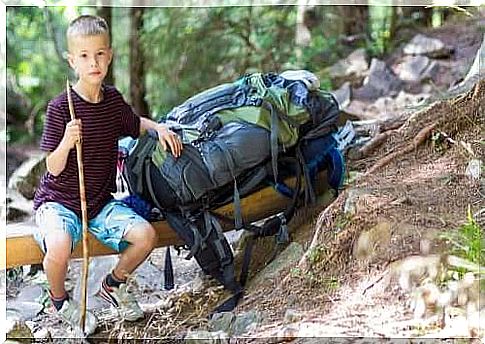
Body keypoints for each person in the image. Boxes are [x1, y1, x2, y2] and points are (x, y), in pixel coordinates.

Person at [33, 14, 183, 335]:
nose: (93, 62)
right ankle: (60, 300)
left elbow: (133, 123)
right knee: (58, 245)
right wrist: (66, 142)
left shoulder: (112, 100)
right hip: (58, 203)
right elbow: (53, 167)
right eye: (84, 56)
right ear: (73, 61)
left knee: (146, 236)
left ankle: (113, 285)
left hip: (99, 203)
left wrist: (158, 128)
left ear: (110, 56)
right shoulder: (61, 107)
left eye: (100, 54)